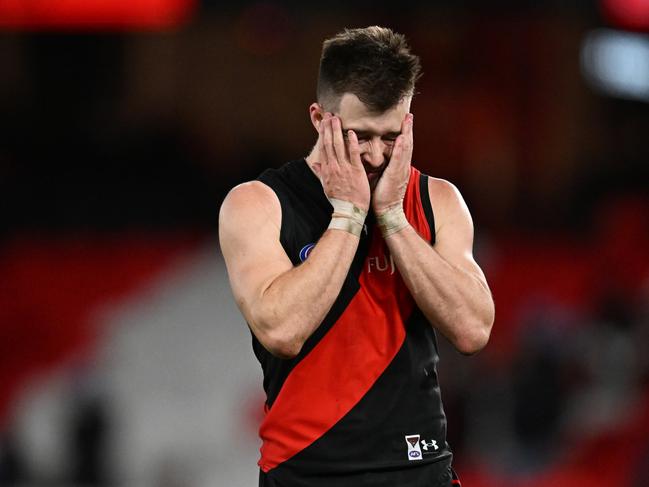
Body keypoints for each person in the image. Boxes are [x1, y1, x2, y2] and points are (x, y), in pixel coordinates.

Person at [219, 26, 495, 487]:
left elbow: (474, 329)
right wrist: (348, 216)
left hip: (420, 470)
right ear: (318, 118)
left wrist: (392, 217)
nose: (375, 155)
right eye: (359, 135)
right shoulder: (258, 204)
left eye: (391, 137)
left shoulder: (437, 200)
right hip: (306, 473)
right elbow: (281, 330)